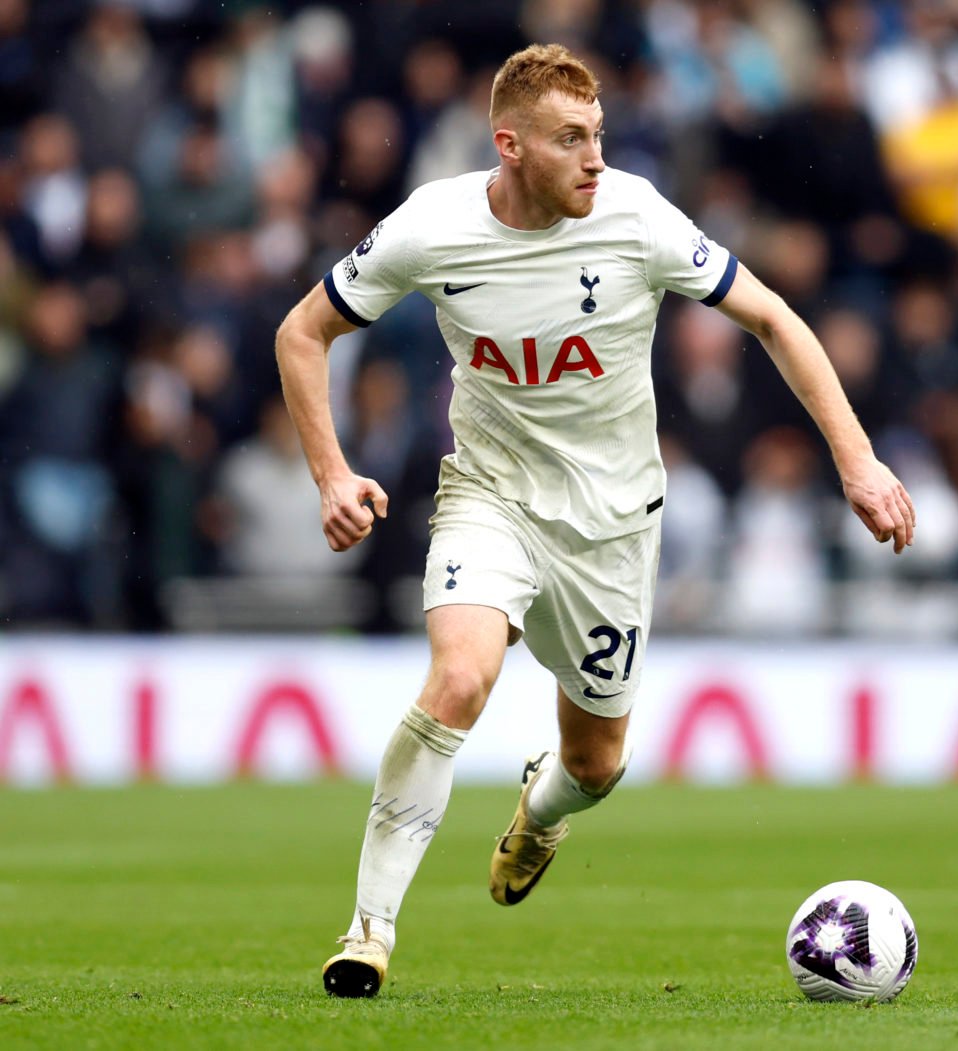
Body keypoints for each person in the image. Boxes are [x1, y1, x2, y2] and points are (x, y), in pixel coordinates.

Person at [273, 43, 915, 999]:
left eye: (598, 134)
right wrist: (330, 474)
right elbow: (301, 331)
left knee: (596, 761)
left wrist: (856, 459)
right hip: (490, 495)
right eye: (571, 138)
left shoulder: (637, 217)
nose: (594, 157)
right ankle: (369, 929)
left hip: (612, 527)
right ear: (510, 145)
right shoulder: (432, 225)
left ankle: (538, 817)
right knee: (458, 679)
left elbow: (775, 318)